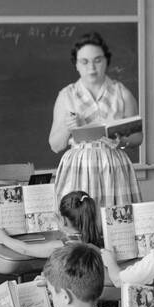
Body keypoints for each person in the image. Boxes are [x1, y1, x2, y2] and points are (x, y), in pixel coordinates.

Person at [50, 31, 143, 209]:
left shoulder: (122, 94)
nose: (91, 67)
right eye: (84, 62)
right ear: (76, 64)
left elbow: (138, 138)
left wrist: (122, 140)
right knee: (79, 224)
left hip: (114, 171)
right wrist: (69, 128)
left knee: (117, 223)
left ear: (106, 61)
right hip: (78, 171)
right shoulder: (66, 95)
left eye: (97, 60)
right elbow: (55, 145)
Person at [0, 190, 103, 259]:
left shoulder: (63, 246)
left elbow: (25, 249)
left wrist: (3, 238)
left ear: (63, 220)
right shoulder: (97, 241)